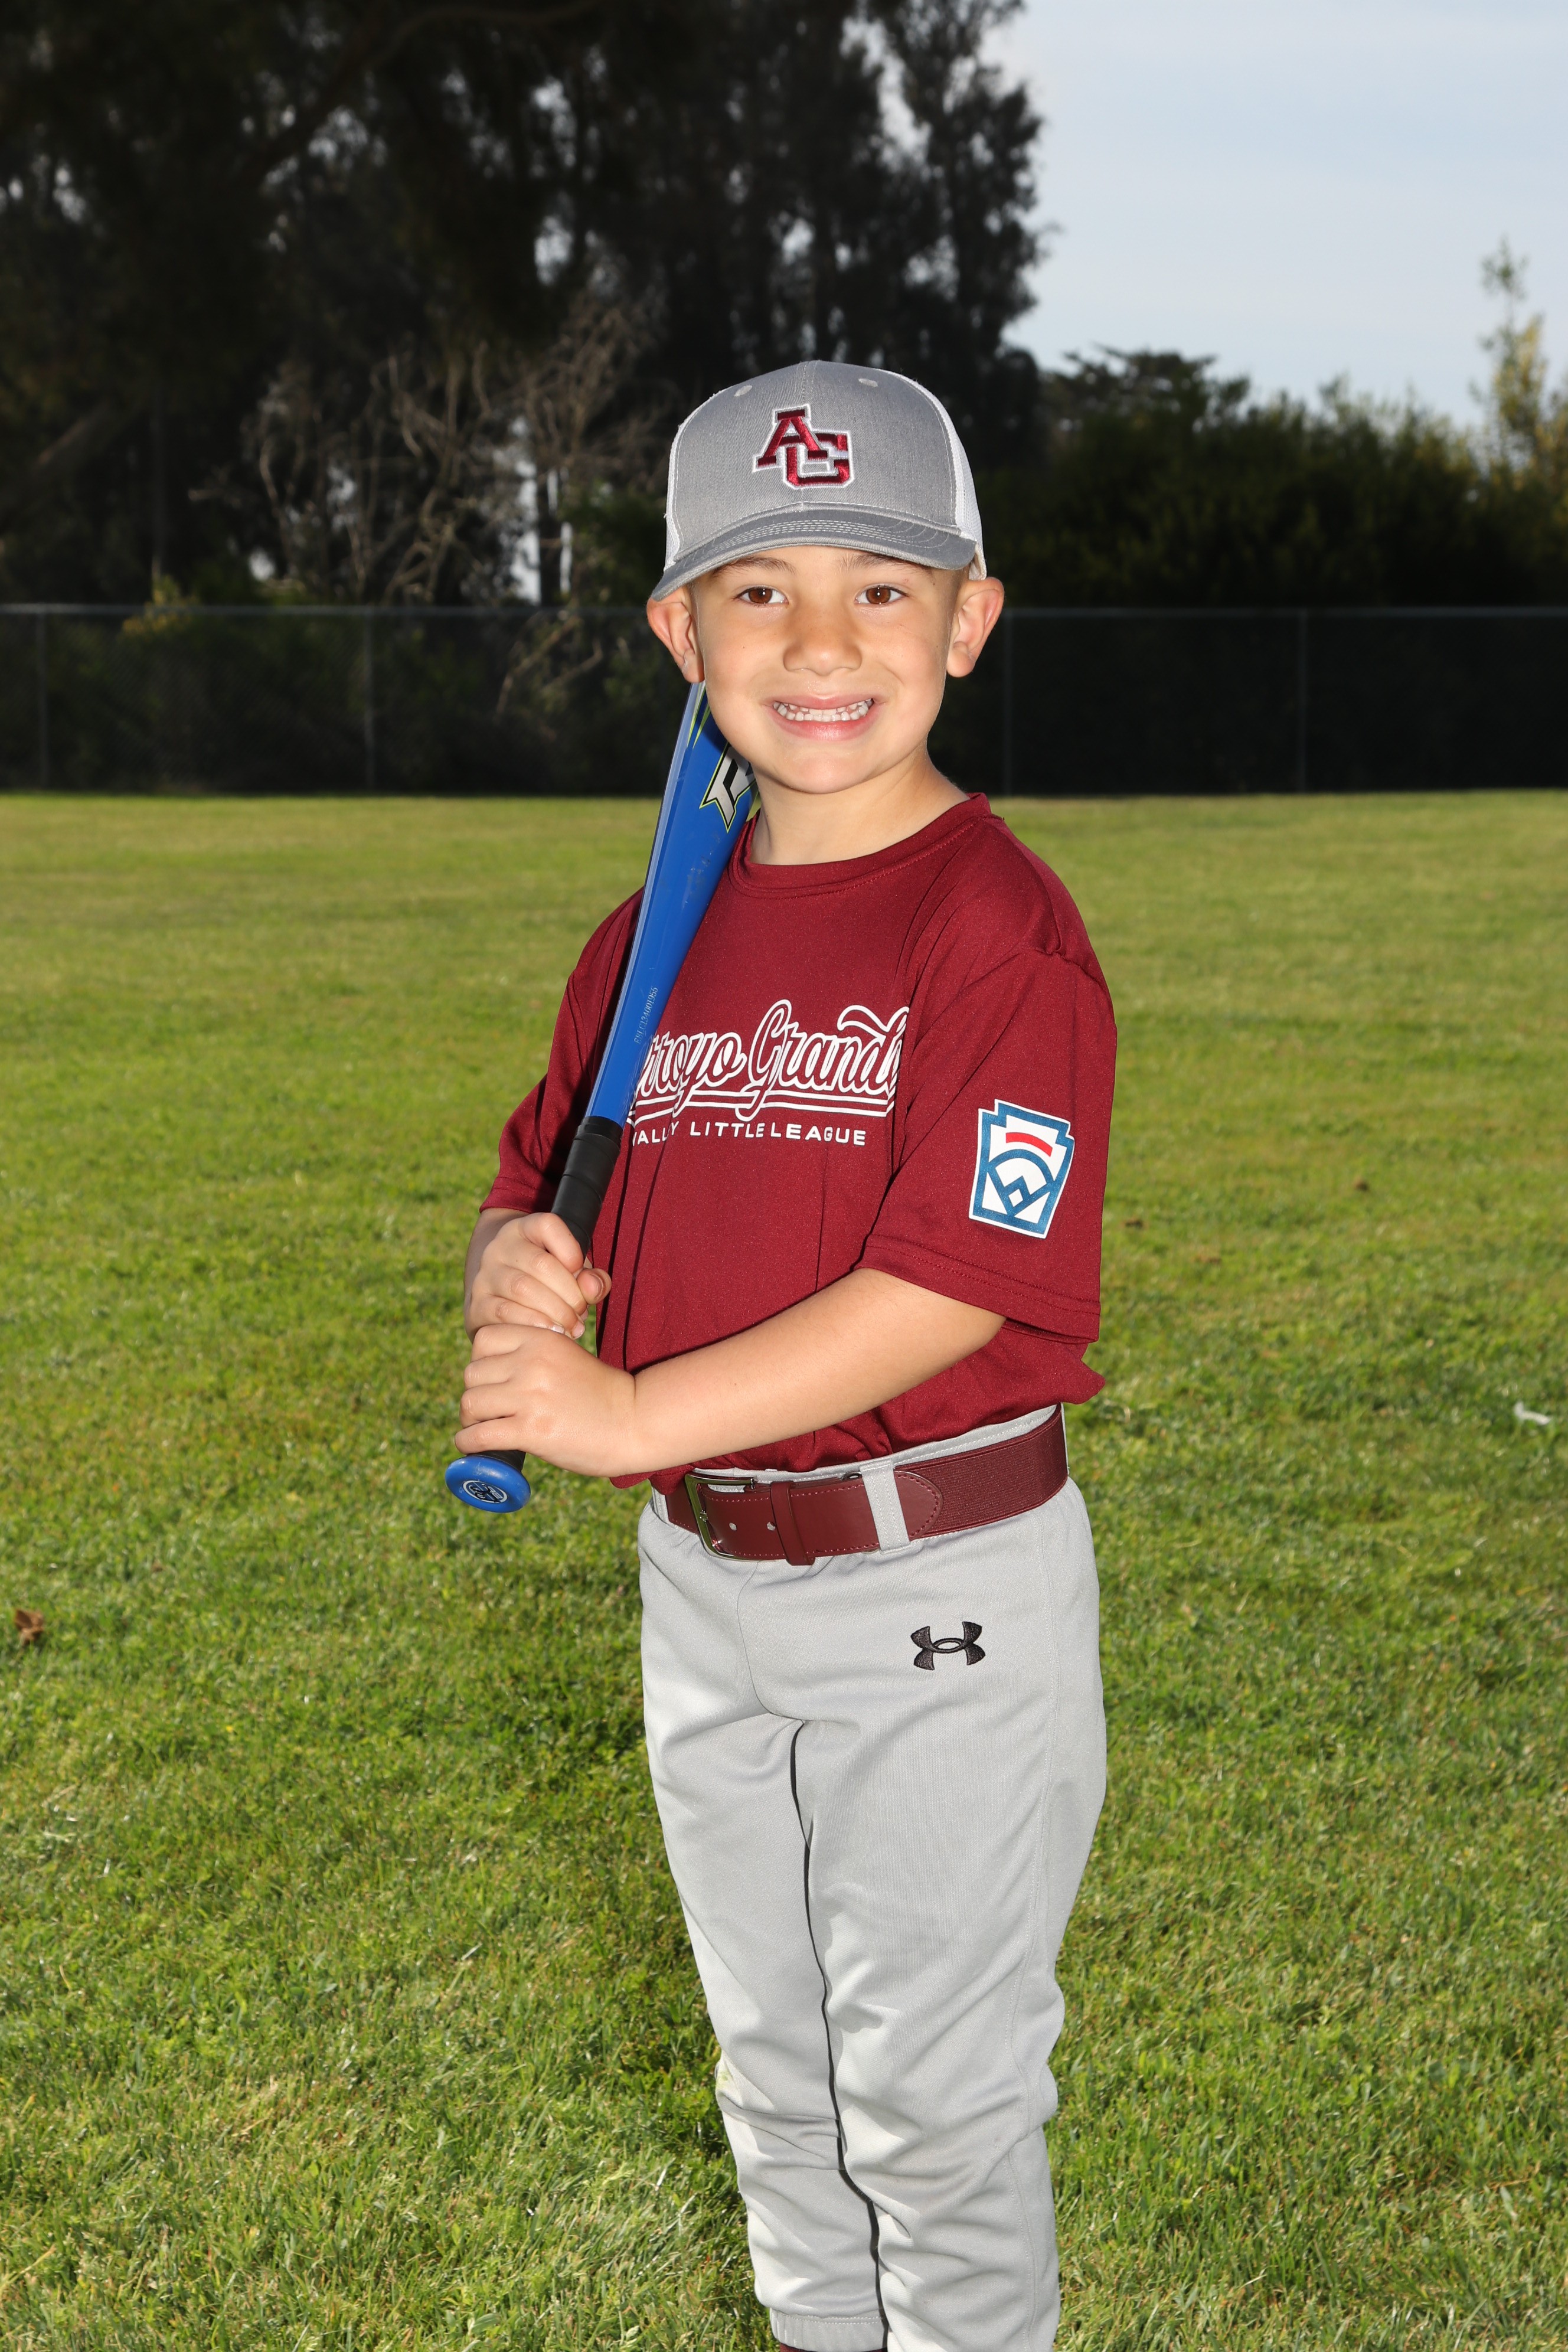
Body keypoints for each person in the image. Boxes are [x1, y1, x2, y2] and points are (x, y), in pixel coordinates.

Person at [458, 360, 1115, 2352]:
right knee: (782, 2091)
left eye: (881, 589)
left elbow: (950, 1287)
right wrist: (512, 1270)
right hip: (707, 1585)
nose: (822, 643)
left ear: (969, 621)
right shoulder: (647, 937)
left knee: (931, 2109)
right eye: (761, 591)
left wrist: (631, 1410)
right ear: (682, 632)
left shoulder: (997, 932)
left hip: (937, 1589)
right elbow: (541, 1180)